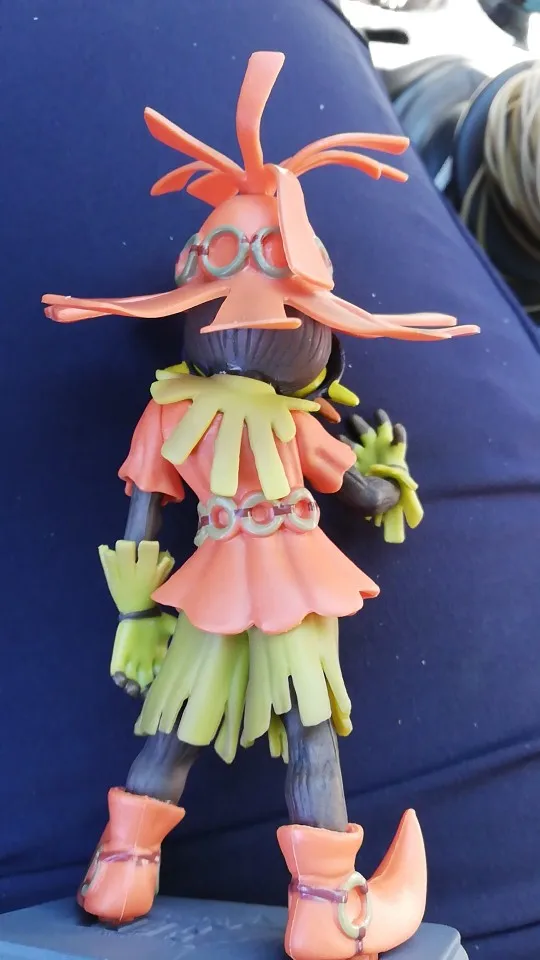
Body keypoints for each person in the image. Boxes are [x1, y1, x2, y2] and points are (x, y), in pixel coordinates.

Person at [1, 2, 539, 958]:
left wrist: (136, 617)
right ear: (317, 329)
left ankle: (122, 869)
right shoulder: (300, 424)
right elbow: (366, 497)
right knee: (310, 737)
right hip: (291, 590)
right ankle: (325, 901)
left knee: (171, 731)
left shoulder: (173, 413)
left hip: (209, 590)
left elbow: (142, 516)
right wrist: (389, 473)